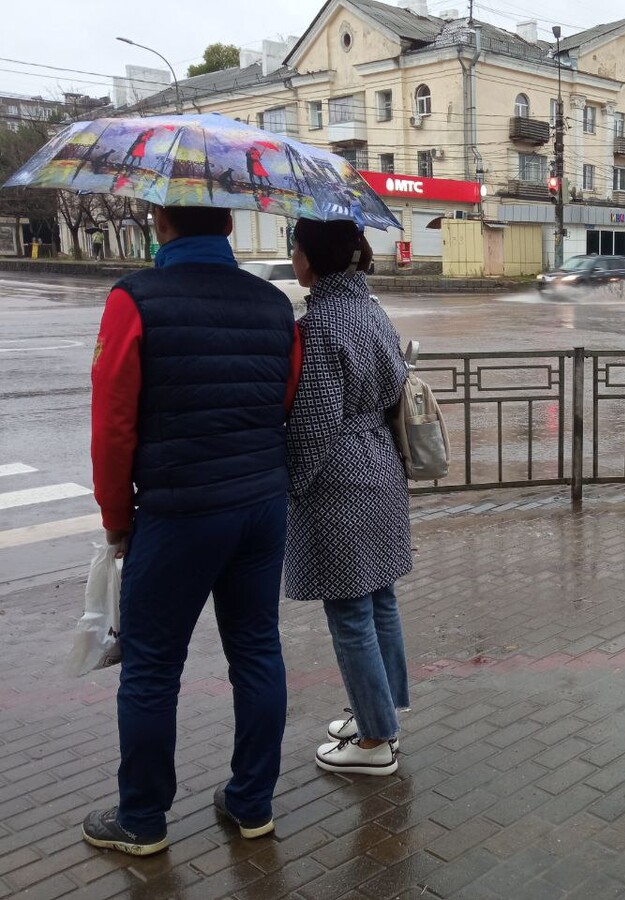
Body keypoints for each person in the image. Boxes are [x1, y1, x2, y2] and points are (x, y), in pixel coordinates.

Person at [82, 204, 301, 856]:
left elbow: (112, 426)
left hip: (179, 512)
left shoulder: (134, 298)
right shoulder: (272, 304)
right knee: (257, 651)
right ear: (229, 227)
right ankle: (251, 804)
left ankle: (143, 821)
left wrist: (118, 520)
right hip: (262, 506)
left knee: (151, 668)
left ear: (159, 222)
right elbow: (281, 398)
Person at [285, 218, 412, 776]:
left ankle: (374, 741)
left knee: (349, 611)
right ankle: (381, 711)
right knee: (378, 598)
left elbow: (312, 425)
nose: (292, 259)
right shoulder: (369, 309)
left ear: (311, 259)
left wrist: (290, 483)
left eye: (294, 249)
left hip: (340, 474)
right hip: (381, 462)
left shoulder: (322, 324)